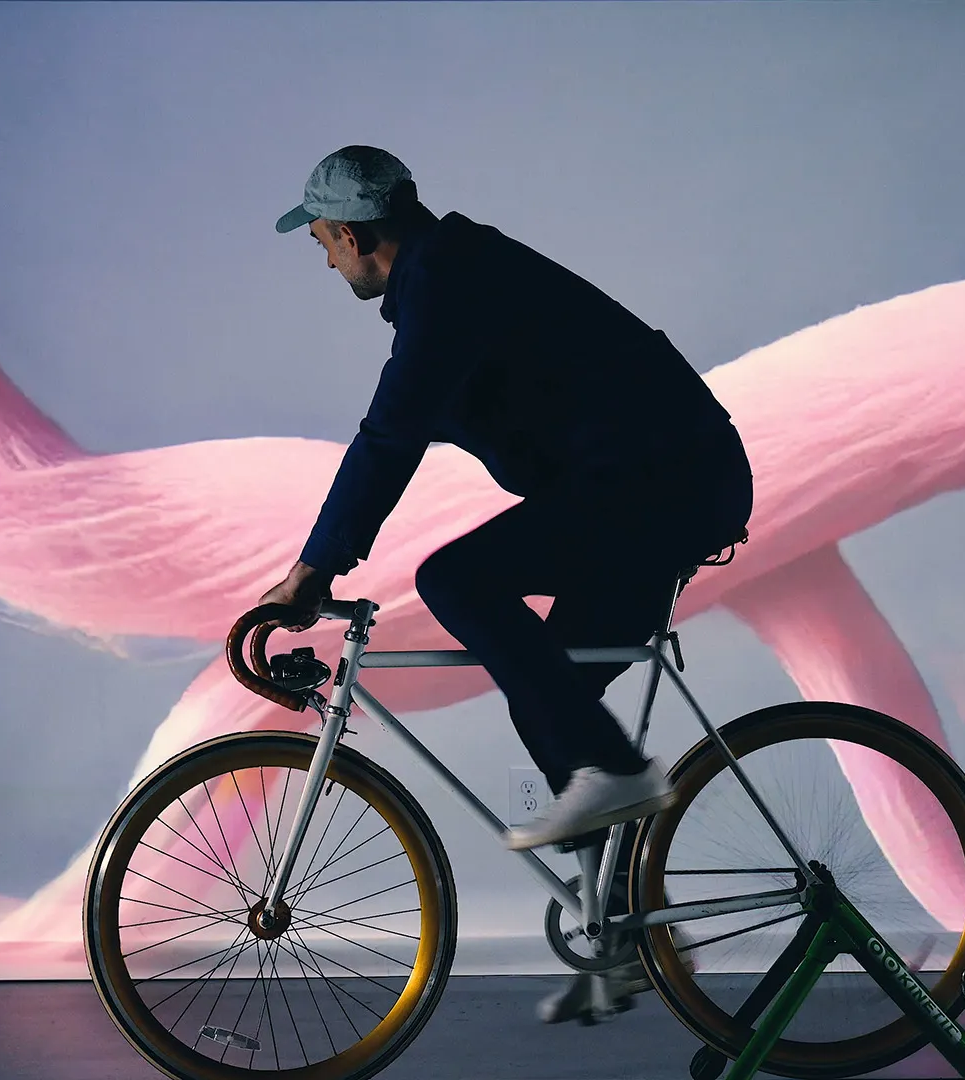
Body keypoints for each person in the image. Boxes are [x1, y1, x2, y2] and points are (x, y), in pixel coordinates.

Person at [258, 146, 751, 1021]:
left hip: (662, 482)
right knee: (549, 692)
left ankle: (614, 782)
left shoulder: (449, 281)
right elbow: (411, 427)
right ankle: (625, 934)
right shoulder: (449, 276)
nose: (324, 258)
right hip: (652, 479)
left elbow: (390, 435)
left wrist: (312, 573)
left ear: (351, 232)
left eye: (323, 243)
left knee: (454, 578)